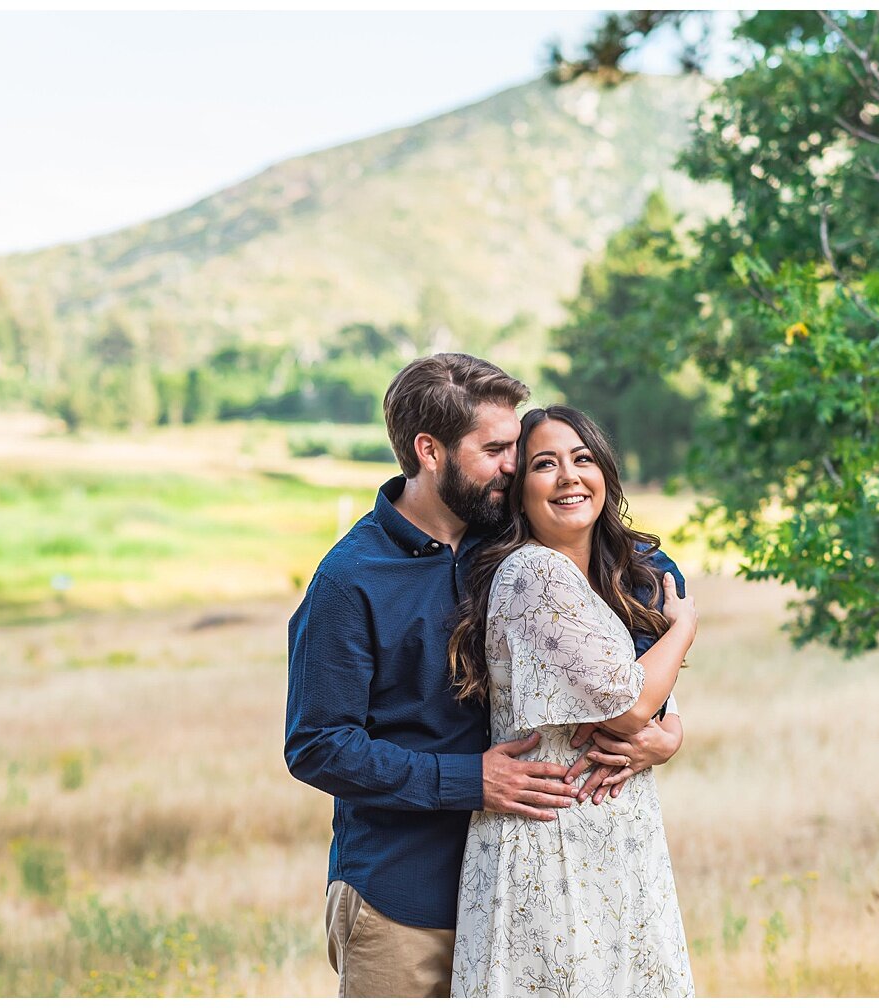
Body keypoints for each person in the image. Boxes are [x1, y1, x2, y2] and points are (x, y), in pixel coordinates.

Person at [285, 354, 685, 998]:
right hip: (408, 899)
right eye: (496, 448)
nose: (512, 464)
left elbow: (640, 569)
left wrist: (661, 726)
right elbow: (317, 745)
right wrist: (470, 780)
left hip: (533, 891)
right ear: (429, 451)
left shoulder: (505, 536)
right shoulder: (349, 581)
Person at [448, 404, 696, 997]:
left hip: (619, 842)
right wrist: (684, 626)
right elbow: (631, 705)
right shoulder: (534, 573)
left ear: (605, 474)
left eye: (582, 459)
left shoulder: (617, 582)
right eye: (544, 464)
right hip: (550, 848)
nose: (568, 476)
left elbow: (656, 705)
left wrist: (671, 737)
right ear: (520, 494)